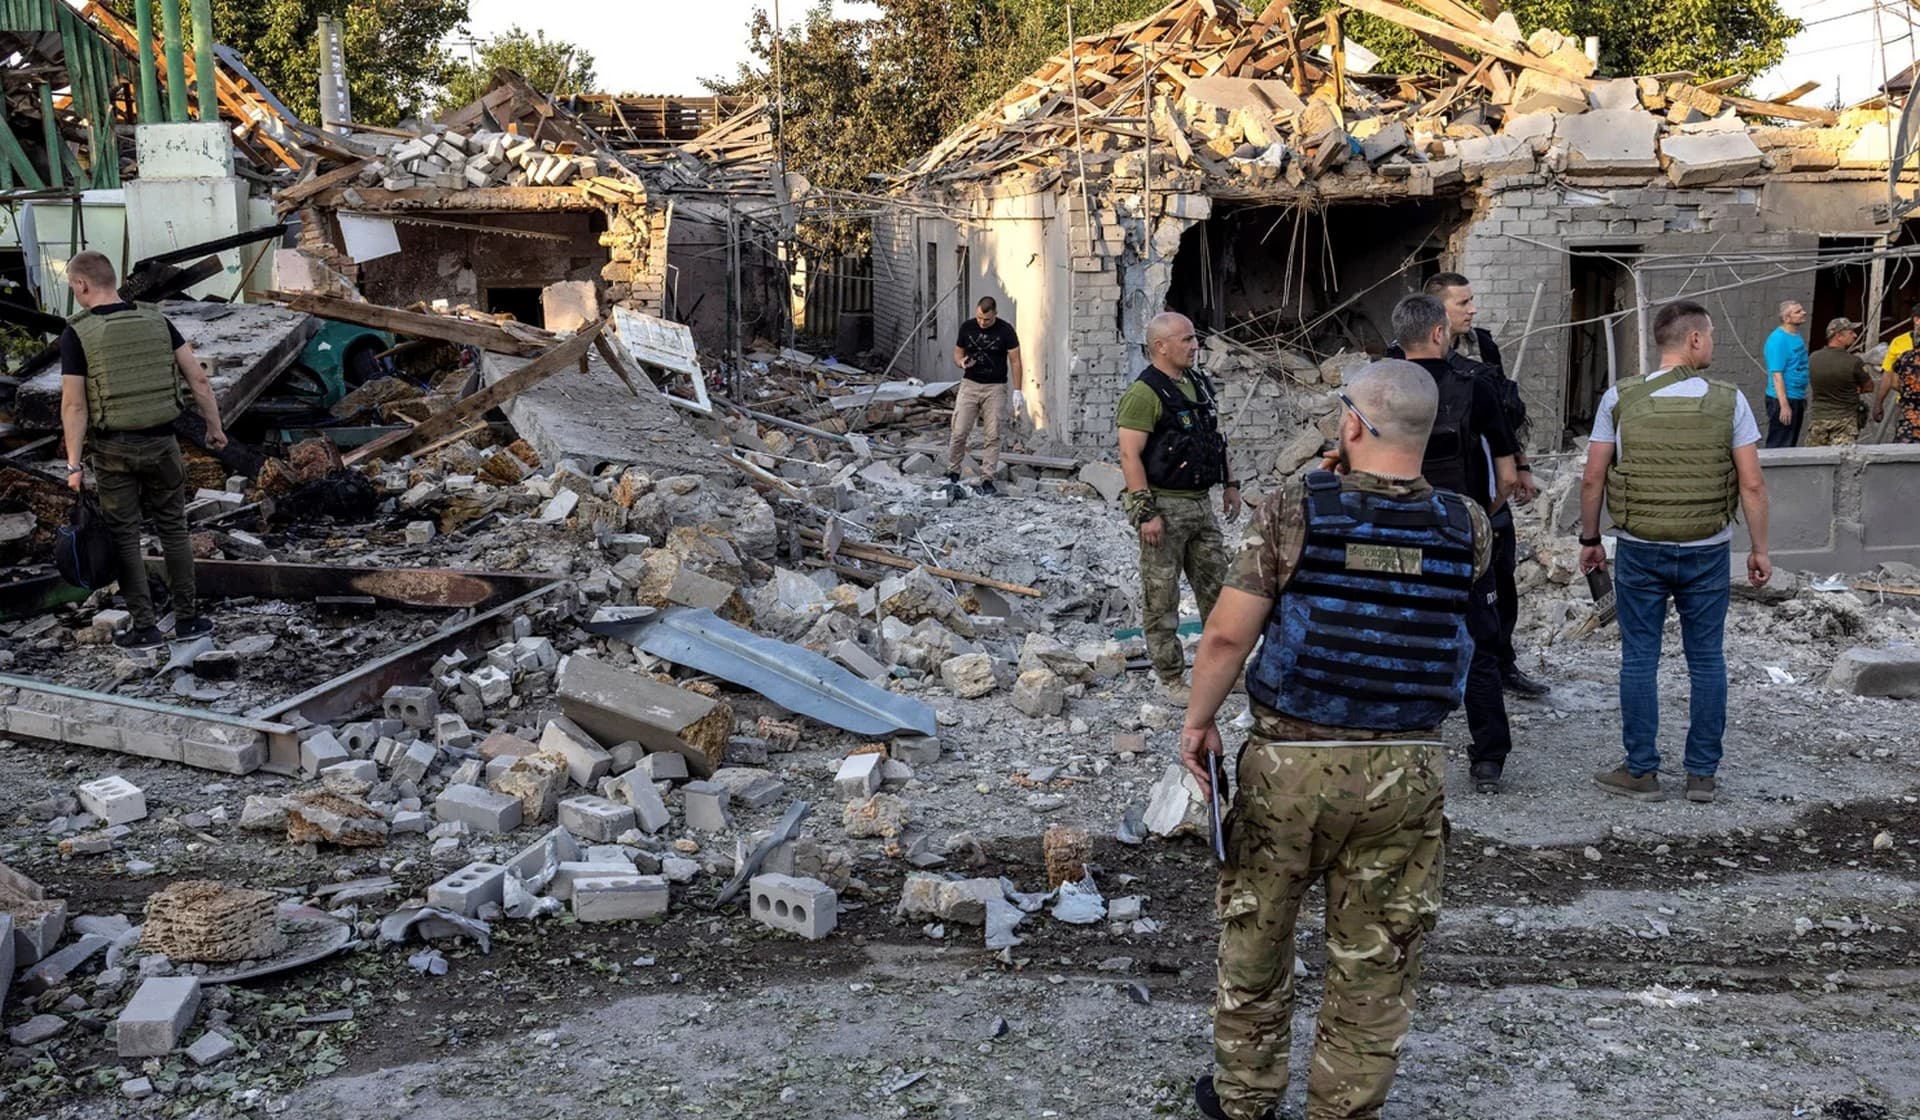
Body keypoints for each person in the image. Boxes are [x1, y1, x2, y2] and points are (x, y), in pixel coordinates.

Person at [1181, 358, 1489, 1120]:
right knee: (1377, 956)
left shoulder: (1294, 509)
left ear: (1352, 422)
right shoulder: (1468, 524)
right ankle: (1343, 1108)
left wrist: (1198, 723)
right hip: (1409, 766)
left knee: (1257, 937)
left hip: (1292, 766)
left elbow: (1225, 636)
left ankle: (1246, 1101)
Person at [1578, 301, 1771, 804]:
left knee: (1639, 659)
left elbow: (1594, 475)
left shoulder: (1620, 398)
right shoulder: (1731, 400)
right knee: (1706, 659)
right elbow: (1751, 485)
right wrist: (1759, 549)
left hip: (1640, 548)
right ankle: (1702, 775)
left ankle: (1641, 771)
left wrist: (1590, 539)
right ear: (1693, 341)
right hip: (1707, 550)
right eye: (1710, 336)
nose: (1713, 345)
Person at [58, 250, 226, 650]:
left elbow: (74, 405)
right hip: (163, 444)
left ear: (81, 285)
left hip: (114, 451)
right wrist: (214, 428)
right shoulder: (157, 319)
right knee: (174, 529)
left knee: (125, 536)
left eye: (72, 286)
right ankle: (188, 620)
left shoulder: (77, 333)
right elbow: (198, 380)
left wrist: (73, 464)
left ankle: (146, 627)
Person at [1397, 272, 1548, 699]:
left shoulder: (1482, 345)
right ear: (1436, 315)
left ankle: (1501, 664)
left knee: (1499, 580)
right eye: (1463, 303)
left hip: (1483, 489)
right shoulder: (1400, 355)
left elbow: (1502, 416)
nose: (1472, 309)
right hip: (1424, 494)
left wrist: (1521, 467)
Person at [1390, 294, 1519, 794]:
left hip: (1395, 536)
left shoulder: (1377, 387)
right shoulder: (1475, 388)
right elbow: (1507, 476)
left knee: (1398, 641)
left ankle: (1399, 746)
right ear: (1441, 334)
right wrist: (1479, 518)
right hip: (1462, 536)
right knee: (1481, 647)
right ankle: (1488, 760)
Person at [1117, 311, 1241, 702]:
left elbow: (1215, 438)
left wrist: (1231, 484)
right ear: (1161, 347)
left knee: (1219, 593)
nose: (1194, 345)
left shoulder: (1198, 384)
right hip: (1165, 508)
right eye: (1186, 340)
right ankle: (1171, 678)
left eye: (1194, 338)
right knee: (1162, 596)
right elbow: (1129, 455)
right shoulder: (1144, 393)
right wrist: (1145, 512)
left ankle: (1222, 672)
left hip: (1200, 505)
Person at [946, 296, 1022, 495]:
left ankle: (987, 477)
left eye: (986, 319)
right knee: (959, 431)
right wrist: (961, 362)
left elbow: (1015, 360)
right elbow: (957, 352)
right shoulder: (967, 327)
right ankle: (953, 471)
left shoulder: (1006, 331)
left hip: (995, 387)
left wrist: (1018, 390)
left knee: (993, 434)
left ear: (995, 314)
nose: (982, 322)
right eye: (979, 317)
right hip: (970, 384)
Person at [1803, 318, 1873, 447]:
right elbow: (1869, 386)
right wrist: (1858, 389)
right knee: (1842, 460)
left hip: (1818, 419)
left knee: (1814, 460)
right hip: (1845, 421)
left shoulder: (1813, 358)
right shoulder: (1853, 362)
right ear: (1839, 336)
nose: (1855, 335)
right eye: (1851, 332)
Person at [1763, 299, 1811, 448]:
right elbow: (1777, 375)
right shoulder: (1778, 340)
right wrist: (1784, 405)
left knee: (1790, 444)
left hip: (1796, 397)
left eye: (1802, 310)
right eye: (1797, 312)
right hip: (1783, 399)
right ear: (1786, 318)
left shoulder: (1796, 337)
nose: (1803, 313)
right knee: (1779, 445)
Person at [1873, 309, 1920, 443]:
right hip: (1906, 407)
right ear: (1916, 319)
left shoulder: (1906, 356)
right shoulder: (1899, 342)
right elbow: (1888, 376)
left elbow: (1893, 379)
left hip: (1908, 404)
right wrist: (1878, 403)